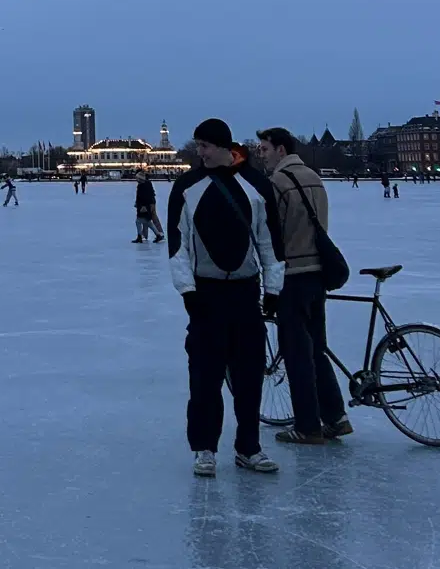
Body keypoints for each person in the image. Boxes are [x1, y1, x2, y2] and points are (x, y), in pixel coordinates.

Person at [168, 118, 284, 476]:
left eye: (204, 146)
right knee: (204, 376)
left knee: (249, 377)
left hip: (246, 293)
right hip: (206, 295)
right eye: (197, 146)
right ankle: (205, 447)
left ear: (222, 146)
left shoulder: (255, 185)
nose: (198, 152)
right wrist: (187, 291)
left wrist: (274, 289)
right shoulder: (186, 187)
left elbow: (269, 242)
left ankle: (249, 447)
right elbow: (178, 246)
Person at [256, 128, 350, 444]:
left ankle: (308, 425)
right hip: (317, 273)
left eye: (265, 150)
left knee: (296, 354)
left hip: (292, 274)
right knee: (317, 350)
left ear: (281, 150)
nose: (262, 156)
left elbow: (270, 233)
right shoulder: (314, 177)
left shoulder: (278, 184)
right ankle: (336, 417)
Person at [133, 173, 163, 243]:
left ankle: (142, 236)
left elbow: (144, 197)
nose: (136, 179)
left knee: (141, 221)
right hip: (144, 205)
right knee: (146, 221)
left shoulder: (143, 186)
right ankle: (155, 235)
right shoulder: (143, 185)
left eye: (137, 178)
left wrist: (143, 206)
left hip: (144, 206)